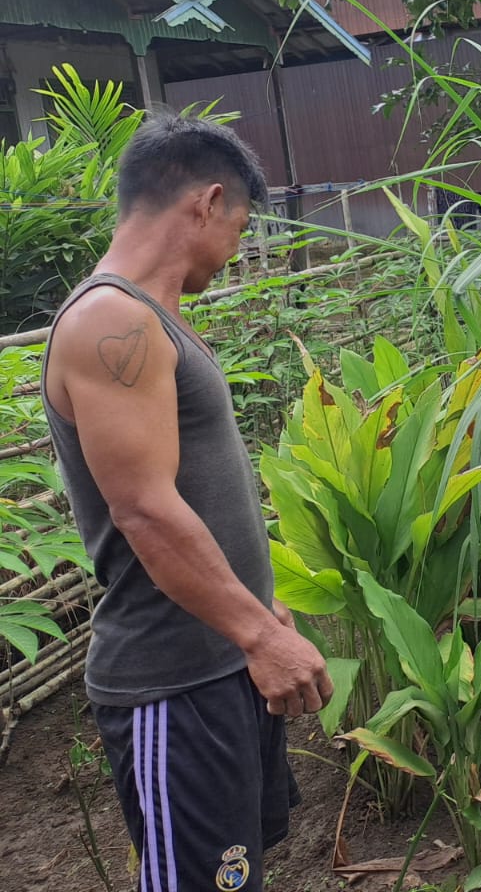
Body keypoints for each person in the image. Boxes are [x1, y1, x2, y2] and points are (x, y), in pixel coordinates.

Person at [43, 114, 332, 892]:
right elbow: (144, 509)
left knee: (233, 877)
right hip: (173, 684)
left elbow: (199, 487)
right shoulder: (111, 320)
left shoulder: (153, 318)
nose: (236, 248)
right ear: (206, 203)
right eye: (239, 226)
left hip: (220, 660)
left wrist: (258, 606)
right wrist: (258, 634)